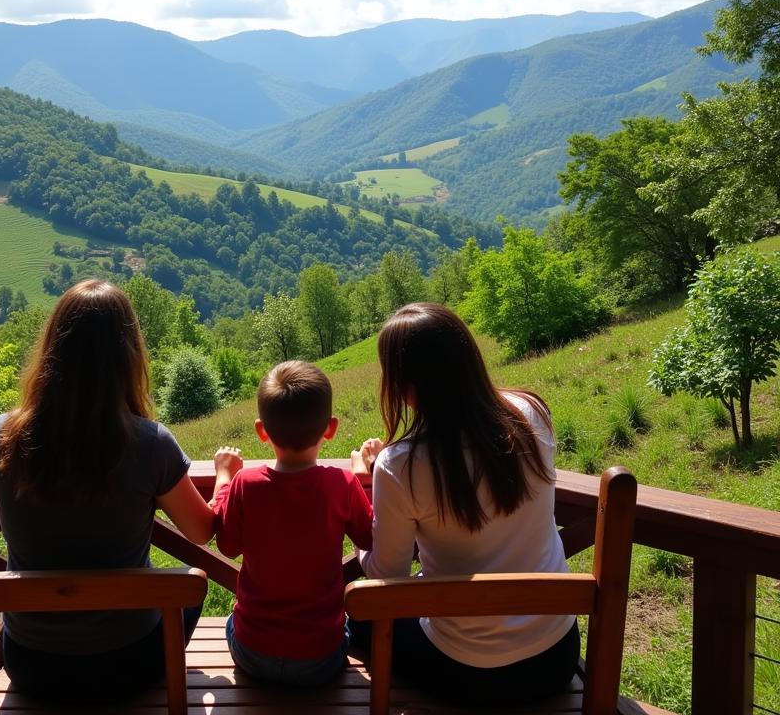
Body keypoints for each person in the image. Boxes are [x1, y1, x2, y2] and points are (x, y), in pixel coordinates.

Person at [0, 279, 224, 701]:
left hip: (32, 665)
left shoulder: (2, 435)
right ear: (128, 357)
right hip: (128, 664)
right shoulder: (151, 443)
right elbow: (202, 532)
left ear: (53, 349)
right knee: (187, 592)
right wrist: (223, 476)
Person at [352, 302, 579, 705]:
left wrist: (366, 489)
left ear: (405, 386)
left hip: (467, 671)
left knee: (359, 618)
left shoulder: (399, 465)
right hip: (555, 656)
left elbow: (388, 577)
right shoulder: (531, 413)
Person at [212, 361, 374, 686]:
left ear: (262, 431)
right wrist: (363, 474)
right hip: (321, 658)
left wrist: (224, 476)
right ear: (331, 428)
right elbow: (369, 538)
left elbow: (227, 547)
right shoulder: (341, 483)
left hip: (252, 653)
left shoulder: (246, 483)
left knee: (233, 618)